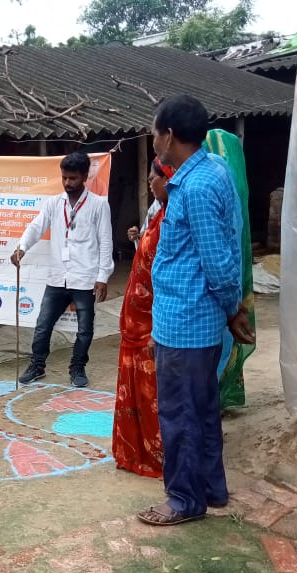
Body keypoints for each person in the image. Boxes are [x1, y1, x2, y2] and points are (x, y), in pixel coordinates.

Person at [136, 95, 255, 527]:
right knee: (201, 410)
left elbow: (219, 261)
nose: (153, 142)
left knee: (180, 415)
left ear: (169, 135)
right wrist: (230, 309)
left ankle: (185, 499)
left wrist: (232, 309)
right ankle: (210, 488)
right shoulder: (212, 170)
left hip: (186, 321)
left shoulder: (197, 187)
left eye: (155, 133)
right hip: (192, 319)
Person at [11, 152, 113, 389]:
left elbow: (106, 241)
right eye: (64, 177)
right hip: (58, 277)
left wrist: (103, 277)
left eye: (73, 178)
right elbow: (36, 227)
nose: (68, 183)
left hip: (85, 278)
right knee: (43, 325)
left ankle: (77, 368)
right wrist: (22, 247)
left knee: (85, 330)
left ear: (85, 177)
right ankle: (37, 366)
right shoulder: (53, 203)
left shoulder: (99, 205)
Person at [113, 158, 175, 479]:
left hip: (153, 323)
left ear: (169, 178)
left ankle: (160, 457)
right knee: (137, 390)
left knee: (154, 392)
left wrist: (157, 327)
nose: (150, 183)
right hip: (135, 321)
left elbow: (168, 275)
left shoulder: (174, 219)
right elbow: (147, 258)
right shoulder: (158, 213)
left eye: (154, 178)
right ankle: (134, 452)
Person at [203, 129, 257, 409]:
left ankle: (214, 399)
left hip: (214, 295)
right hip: (226, 290)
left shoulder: (202, 190)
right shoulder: (229, 189)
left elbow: (216, 257)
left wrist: (231, 305)